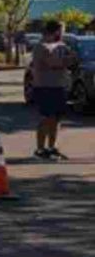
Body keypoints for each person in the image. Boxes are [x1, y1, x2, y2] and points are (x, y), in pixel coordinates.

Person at [30, 20, 77, 160]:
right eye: (62, 30)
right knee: (46, 118)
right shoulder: (41, 46)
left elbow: (69, 59)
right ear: (56, 31)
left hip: (59, 86)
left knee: (56, 119)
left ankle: (52, 147)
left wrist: (69, 58)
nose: (63, 33)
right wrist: (69, 59)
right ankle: (40, 149)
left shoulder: (61, 46)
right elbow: (53, 63)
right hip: (45, 86)